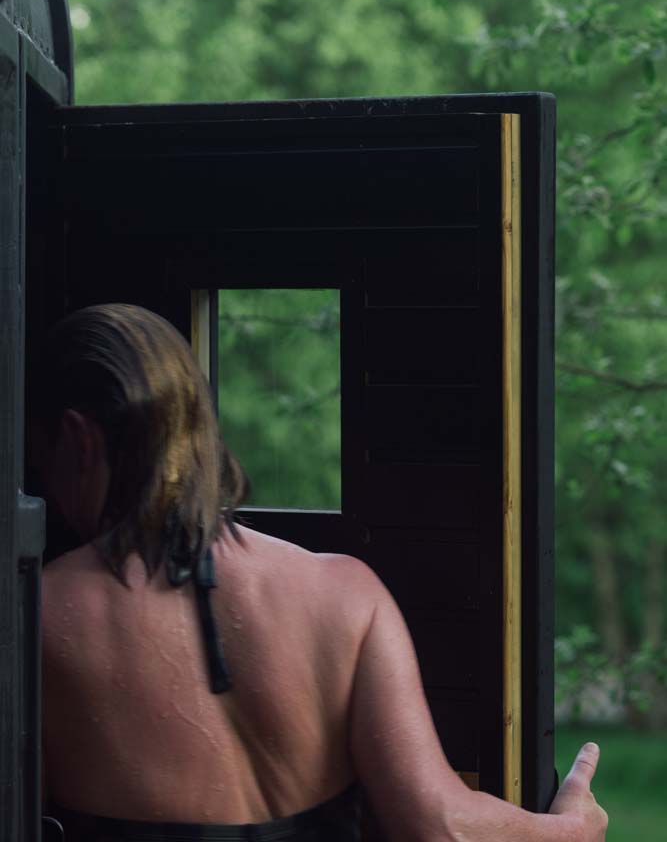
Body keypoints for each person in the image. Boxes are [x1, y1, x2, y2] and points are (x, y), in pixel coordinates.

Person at [34, 303, 608, 842]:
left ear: (78, 440)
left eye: (43, 455)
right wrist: (573, 831)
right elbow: (440, 825)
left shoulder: (37, 611)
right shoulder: (346, 593)